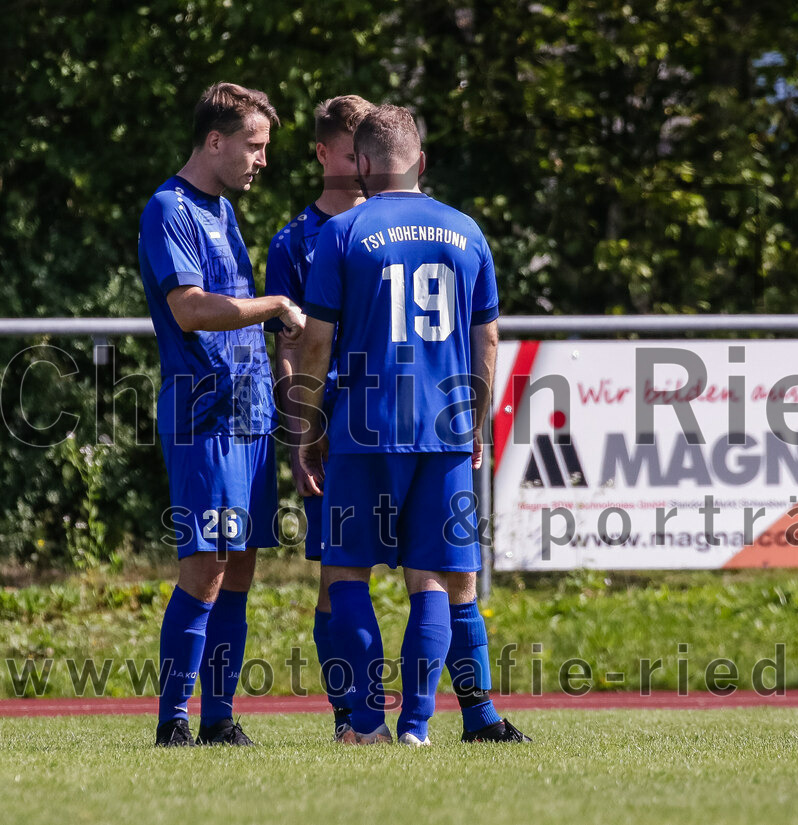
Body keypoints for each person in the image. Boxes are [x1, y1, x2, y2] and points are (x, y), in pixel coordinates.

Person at [297, 104, 529, 745]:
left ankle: (365, 723)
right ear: (421, 161)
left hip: (362, 426)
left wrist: (309, 427)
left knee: (347, 571)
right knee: (435, 575)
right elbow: (487, 343)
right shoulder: (468, 232)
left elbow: (316, 344)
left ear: (362, 164)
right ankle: (418, 727)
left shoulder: (339, 234)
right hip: (444, 429)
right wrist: (476, 421)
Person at [138, 81, 305, 747]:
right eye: (254, 145)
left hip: (249, 412)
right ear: (216, 139)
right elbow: (191, 308)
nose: (261, 160)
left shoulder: (225, 212)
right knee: (204, 565)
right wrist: (275, 306)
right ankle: (172, 719)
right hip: (203, 415)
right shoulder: (168, 207)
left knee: (240, 567)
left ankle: (219, 717)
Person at [265, 94, 375, 740]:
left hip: (394, 425)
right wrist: (304, 428)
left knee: (432, 572)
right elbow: (287, 347)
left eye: (369, 151)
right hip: (332, 432)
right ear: (323, 153)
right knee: (337, 576)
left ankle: (444, 715)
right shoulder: (294, 241)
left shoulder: (396, 227)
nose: (361, 164)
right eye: (349, 150)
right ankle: (349, 716)